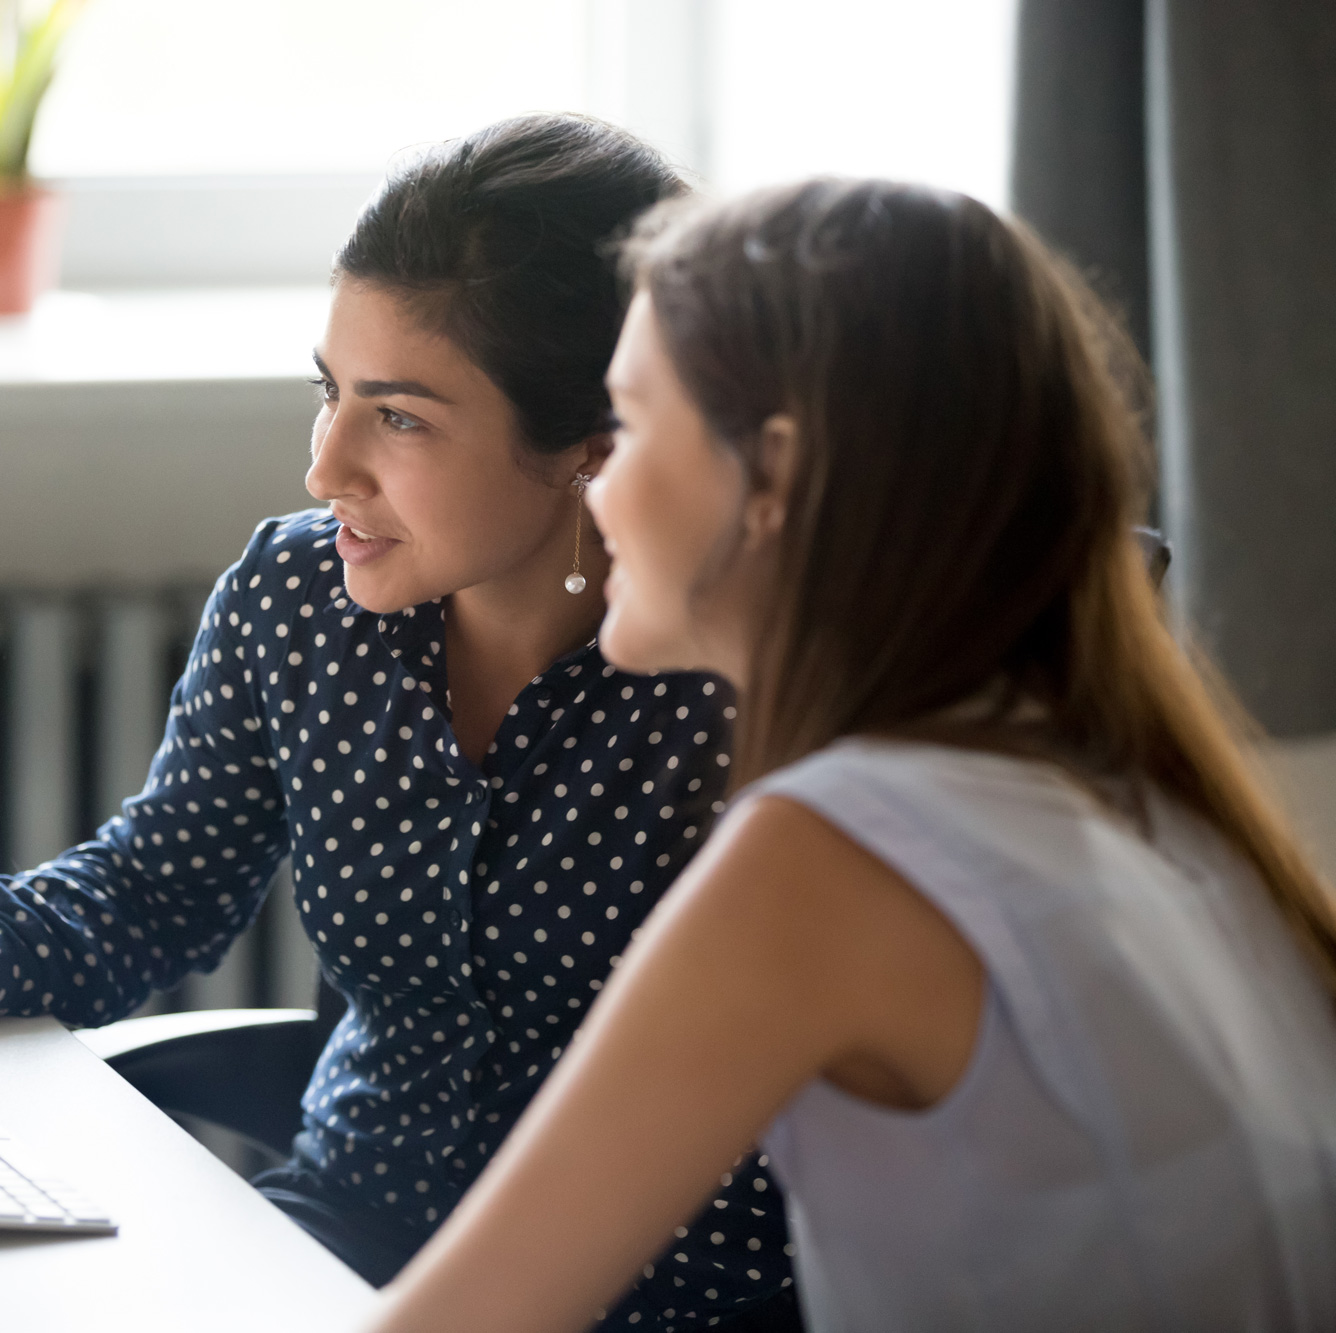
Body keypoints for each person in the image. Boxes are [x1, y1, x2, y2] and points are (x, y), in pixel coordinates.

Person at [0, 115, 799, 1327]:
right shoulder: (300, 599)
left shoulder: (737, 678)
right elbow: (157, 881)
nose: (326, 466)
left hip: (670, 1299)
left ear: (589, 447)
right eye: (329, 392)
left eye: (399, 418)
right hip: (340, 1237)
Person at [366, 177, 1336, 1333]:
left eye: (630, 424)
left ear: (769, 476)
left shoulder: (823, 862)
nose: (597, 482)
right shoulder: (1125, 799)